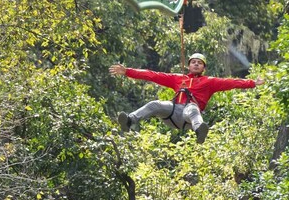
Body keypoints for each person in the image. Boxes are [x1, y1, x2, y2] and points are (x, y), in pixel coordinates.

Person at [109, 53, 263, 143]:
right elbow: (152, 75)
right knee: (155, 104)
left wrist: (252, 83)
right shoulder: (178, 78)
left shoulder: (209, 82)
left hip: (188, 118)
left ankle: (199, 131)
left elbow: (231, 82)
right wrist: (128, 71)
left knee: (191, 108)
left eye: (199, 63)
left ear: (204, 68)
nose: (196, 65)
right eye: (193, 62)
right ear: (189, 66)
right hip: (173, 111)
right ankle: (129, 121)